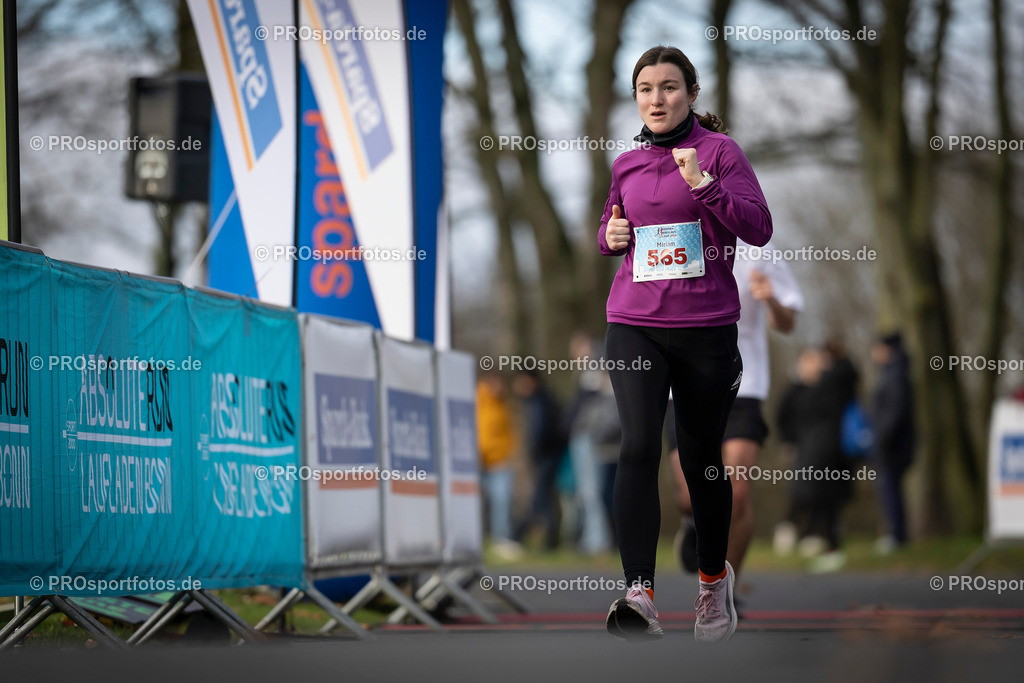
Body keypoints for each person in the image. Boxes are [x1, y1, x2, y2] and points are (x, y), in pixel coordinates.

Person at [599, 45, 772, 642]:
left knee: (702, 462)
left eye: (669, 87)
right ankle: (638, 593)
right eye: (645, 88)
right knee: (641, 445)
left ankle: (710, 584)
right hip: (634, 322)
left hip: (705, 329)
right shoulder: (624, 164)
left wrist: (703, 186)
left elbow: (758, 225)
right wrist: (610, 234)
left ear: (691, 94)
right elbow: (611, 227)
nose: (656, 98)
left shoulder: (721, 154)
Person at [668, 244, 804, 588]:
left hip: (744, 385)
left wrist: (770, 299)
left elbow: (787, 323)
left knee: (737, 494)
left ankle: (723, 592)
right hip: (683, 386)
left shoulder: (757, 248)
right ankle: (694, 520)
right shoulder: (676, 232)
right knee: (690, 496)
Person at [870, 332, 914, 551]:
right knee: (890, 489)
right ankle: (896, 533)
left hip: (892, 445)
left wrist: (882, 438)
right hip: (892, 442)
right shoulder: (892, 372)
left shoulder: (895, 374)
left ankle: (897, 535)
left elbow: (895, 411)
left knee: (889, 489)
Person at [511, 369, 565, 550]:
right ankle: (543, 540)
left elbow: (540, 432)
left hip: (545, 456)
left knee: (540, 498)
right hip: (548, 455)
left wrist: (536, 451)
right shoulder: (543, 399)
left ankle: (526, 538)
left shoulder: (539, 402)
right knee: (543, 497)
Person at [476, 372, 521, 558]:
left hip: (499, 461)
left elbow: (509, 431)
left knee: (502, 500)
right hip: (477, 460)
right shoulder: (476, 401)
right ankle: (476, 540)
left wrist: (510, 453)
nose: (499, 388)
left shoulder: (504, 404)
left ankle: (501, 538)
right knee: (476, 503)